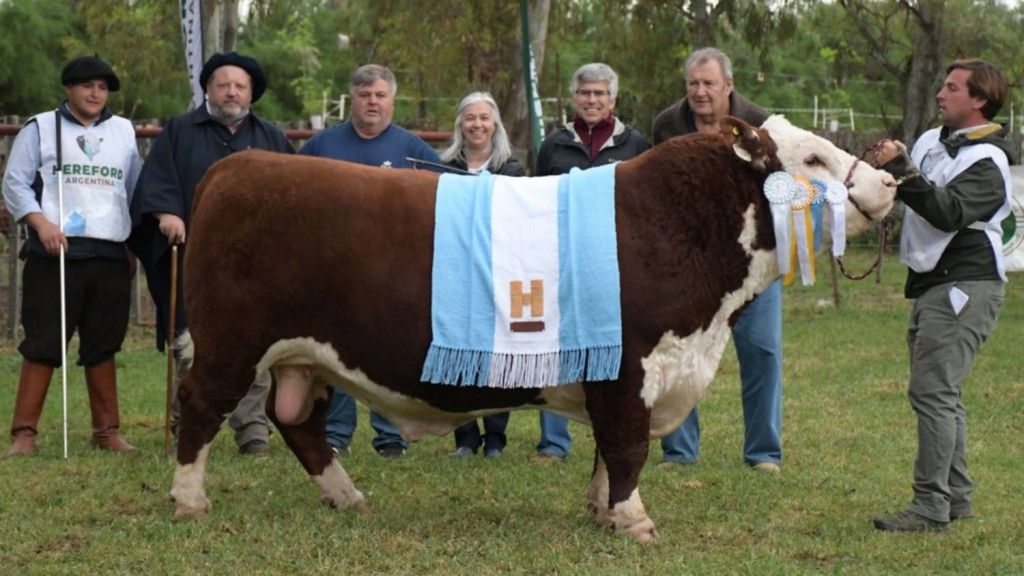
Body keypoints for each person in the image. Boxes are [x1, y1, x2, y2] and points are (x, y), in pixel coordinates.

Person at [871, 58, 1014, 533]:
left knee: (933, 392)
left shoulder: (989, 161)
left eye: (952, 88)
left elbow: (948, 211)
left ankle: (931, 506)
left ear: (979, 100)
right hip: (938, 283)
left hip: (966, 284)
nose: (939, 93)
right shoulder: (932, 140)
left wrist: (900, 167)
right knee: (942, 395)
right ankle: (955, 499)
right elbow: (911, 192)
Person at [128, 52, 293, 456]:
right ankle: (186, 423)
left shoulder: (271, 137)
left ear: (251, 92)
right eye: (223, 84)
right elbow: (159, 180)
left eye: (240, 86)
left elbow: (295, 197)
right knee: (193, 344)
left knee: (255, 346)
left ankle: (253, 431)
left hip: (255, 266)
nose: (231, 92)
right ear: (208, 88)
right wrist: (166, 213)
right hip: (194, 260)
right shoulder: (180, 131)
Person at [299, 63, 442, 459]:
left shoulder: (413, 150)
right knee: (337, 356)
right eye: (365, 95)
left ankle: (390, 436)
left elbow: (447, 196)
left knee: (388, 355)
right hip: (334, 272)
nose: (372, 102)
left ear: (392, 100)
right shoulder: (321, 147)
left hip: (394, 277)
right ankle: (336, 435)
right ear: (353, 100)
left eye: (380, 95)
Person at [651, 47, 783, 473]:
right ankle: (679, 451)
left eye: (709, 83)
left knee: (761, 351)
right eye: (693, 83)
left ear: (729, 85)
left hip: (750, 258)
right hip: (691, 260)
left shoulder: (762, 123)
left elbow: (778, 188)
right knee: (679, 351)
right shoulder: (667, 125)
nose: (700, 92)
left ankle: (763, 453)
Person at [2, 56, 141, 456]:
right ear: (69, 89)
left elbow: (131, 190)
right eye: (87, 86)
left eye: (102, 87)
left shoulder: (124, 132)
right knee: (44, 340)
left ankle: (106, 431)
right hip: (56, 250)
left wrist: (130, 244)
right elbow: (15, 183)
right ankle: (24, 434)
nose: (95, 93)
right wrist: (40, 224)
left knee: (103, 342)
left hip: (110, 251)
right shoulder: (41, 127)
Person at [532, 62, 649, 462]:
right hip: (560, 260)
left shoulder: (636, 145)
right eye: (585, 93)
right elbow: (535, 201)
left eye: (600, 93)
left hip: (618, 266)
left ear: (613, 99)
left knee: (617, 352)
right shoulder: (553, 145)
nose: (592, 100)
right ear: (573, 99)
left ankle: (611, 437)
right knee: (556, 347)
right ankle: (553, 443)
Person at [439, 92, 526, 459]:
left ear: (495, 125)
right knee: (457, 353)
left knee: (496, 355)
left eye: (484, 118)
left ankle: (495, 438)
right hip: (454, 272)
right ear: (460, 123)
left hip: (498, 271)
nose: (476, 124)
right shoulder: (442, 166)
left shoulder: (513, 168)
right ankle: (465, 437)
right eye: (469, 118)